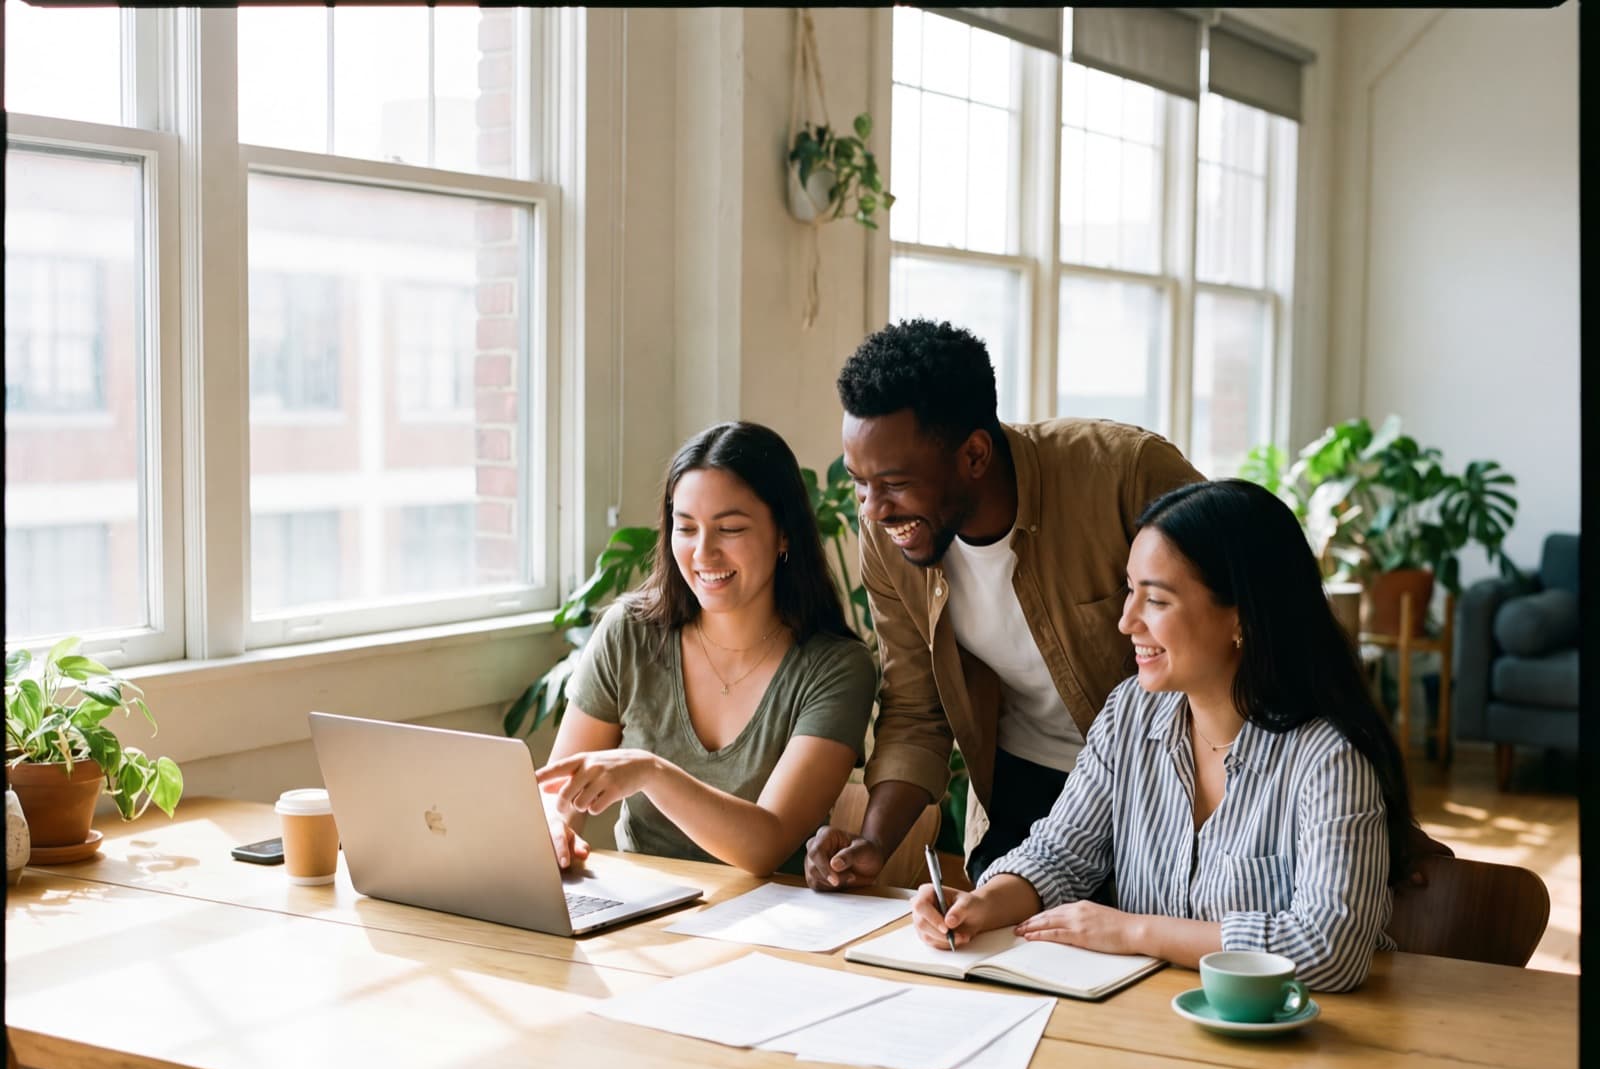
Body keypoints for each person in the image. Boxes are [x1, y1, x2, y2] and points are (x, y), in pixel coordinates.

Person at [909, 479, 1415, 991]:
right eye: (1130, 590)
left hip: (1302, 1046)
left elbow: (1330, 949)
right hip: (1151, 1025)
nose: (1127, 621)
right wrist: (980, 904)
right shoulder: (1130, 712)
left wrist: (1134, 931)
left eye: (1156, 600)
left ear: (1241, 614)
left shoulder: (1331, 758)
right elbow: (1060, 854)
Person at [803, 318, 1204, 893]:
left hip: (1168, 790)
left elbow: (1247, 612)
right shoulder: (891, 536)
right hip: (1026, 787)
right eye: (859, 484)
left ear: (974, 454)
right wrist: (873, 843)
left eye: (892, 483)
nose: (872, 510)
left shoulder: (1123, 475)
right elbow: (917, 707)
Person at [535, 420, 878, 878]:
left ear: (784, 534)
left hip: (771, 927)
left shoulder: (836, 667)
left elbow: (766, 844)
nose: (703, 553)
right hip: (638, 919)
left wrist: (650, 772)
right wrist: (553, 828)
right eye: (686, 528)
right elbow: (556, 791)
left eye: (730, 529)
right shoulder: (629, 634)